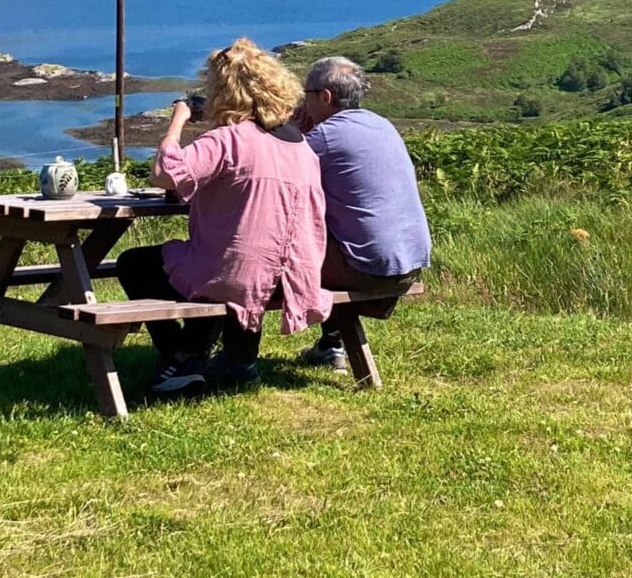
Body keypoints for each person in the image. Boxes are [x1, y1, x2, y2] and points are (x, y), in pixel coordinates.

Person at [116, 38, 332, 394]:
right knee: (222, 262)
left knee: (135, 264)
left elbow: (164, 173)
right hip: (294, 276)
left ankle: (181, 357)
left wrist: (179, 120)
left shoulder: (229, 139)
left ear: (223, 92)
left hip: (239, 277)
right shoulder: (300, 145)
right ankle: (236, 359)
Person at [296, 56, 431, 372]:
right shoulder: (381, 124)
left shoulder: (326, 136)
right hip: (408, 265)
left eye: (307, 95)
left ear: (325, 97)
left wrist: (292, 132)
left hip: (369, 269)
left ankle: (229, 354)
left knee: (273, 249)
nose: (304, 104)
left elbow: (277, 176)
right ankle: (331, 345)